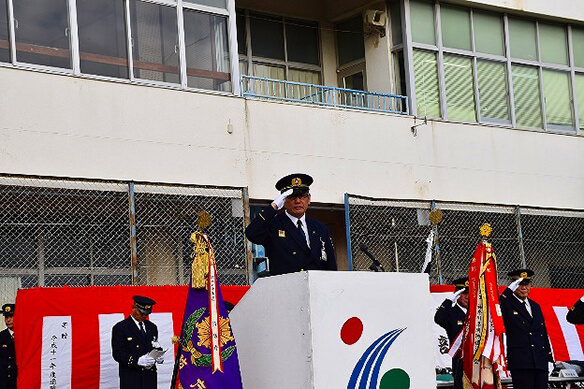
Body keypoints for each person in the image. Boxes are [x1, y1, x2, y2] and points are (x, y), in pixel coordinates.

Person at [245, 173, 337, 276]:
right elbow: (251, 233)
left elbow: (331, 265)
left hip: (316, 287)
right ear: (283, 200)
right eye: (292, 196)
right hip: (286, 288)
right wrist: (273, 207)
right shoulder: (274, 225)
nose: (298, 201)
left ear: (309, 199)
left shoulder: (320, 228)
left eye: (302, 196)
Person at [499, 269, 553, 389]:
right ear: (513, 285)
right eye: (520, 284)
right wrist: (507, 292)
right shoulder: (506, 304)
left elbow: (542, 333)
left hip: (540, 361)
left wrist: (549, 359)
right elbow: (494, 308)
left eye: (526, 284)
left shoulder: (535, 306)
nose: (524, 287)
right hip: (521, 362)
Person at [112, 296, 164, 389]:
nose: (144, 316)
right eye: (141, 312)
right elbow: (117, 353)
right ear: (133, 309)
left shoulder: (151, 327)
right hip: (132, 377)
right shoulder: (121, 328)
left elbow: (154, 344)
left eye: (147, 313)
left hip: (149, 377)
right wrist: (137, 361)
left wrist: (159, 355)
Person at [434, 278, 468, 389]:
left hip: (477, 361)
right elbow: (438, 318)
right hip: (460, 361)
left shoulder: (477, 313)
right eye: (463, 293)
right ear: (457, 294)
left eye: (469, 293)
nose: (467, 297)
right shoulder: (451, 313)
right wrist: (449, 300)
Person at [0, 304, 16, 389]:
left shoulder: (23, 335)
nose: (8, 320)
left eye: (11, 316)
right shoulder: (1, 336)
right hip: (4, 383)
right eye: (6, 317)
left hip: (18, 382)